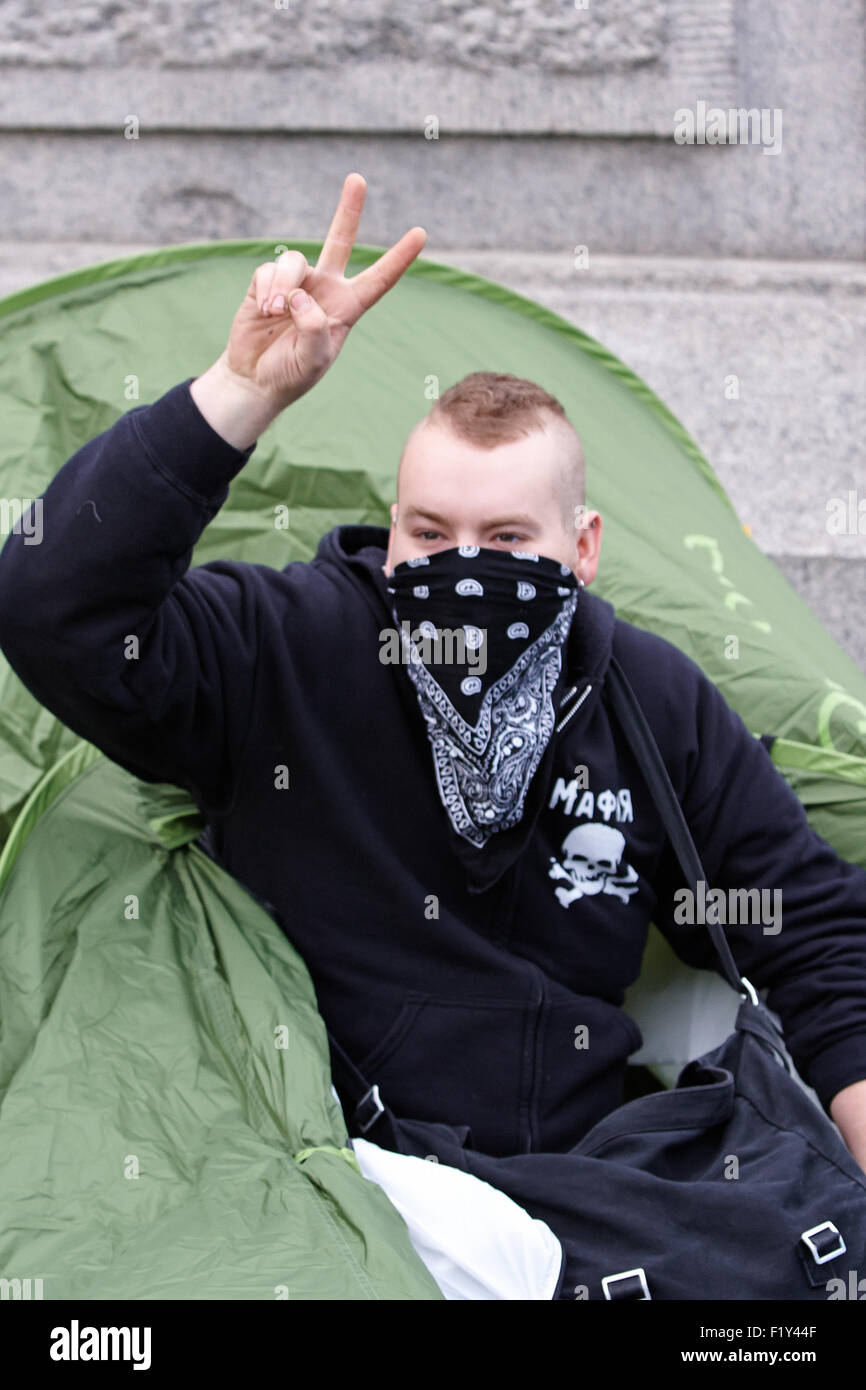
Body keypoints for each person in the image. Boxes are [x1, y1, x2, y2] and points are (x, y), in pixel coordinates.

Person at [1, 171, 865, 1226]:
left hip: (587, 1191)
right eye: (428, 534)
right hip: (321, 1183)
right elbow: (59, 611)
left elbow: (809, 936)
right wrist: (247, 388)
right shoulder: (291, 644)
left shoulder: (648, 699)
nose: (464, 569)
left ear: (581, 549)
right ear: (391, 528)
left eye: (506, 542)